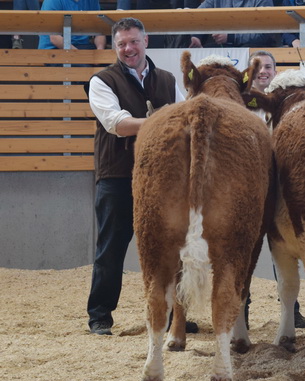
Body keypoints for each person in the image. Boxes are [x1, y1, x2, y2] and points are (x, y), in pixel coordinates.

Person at [85, 17, 188, 336]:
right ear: (115, 47)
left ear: (146, 42)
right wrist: (161, 121)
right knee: (111, 248)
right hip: (117, 175)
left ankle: (175, 315)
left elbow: (186, 118)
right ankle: (100, 314)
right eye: (121, 44)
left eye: (133, 41)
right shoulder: (101, 80)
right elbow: (116, 123)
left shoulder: (169, 80)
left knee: (170, 247)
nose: (128, 48)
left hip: (163, 178)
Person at [245, 50, 305, 329]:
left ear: (276, 71)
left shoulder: (290, 100)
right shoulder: (245, 103)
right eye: (258, 67)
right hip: (253, 189)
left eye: (269, 67)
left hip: (283, 187)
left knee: (284, 252)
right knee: (247, 252)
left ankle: (292, 312)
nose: (264, 71)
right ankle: (242, 312)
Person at [190, 0, 277, 48]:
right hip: (223, 47)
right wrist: (196, 36)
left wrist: (231, 37)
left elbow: (264, 34)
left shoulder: (263, 1)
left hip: (254, 48)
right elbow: (197, 15)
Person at [38, 0, 106, 50]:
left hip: (83, 47)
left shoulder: (92, 1)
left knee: (110, 65)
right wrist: (80, 56)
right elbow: (54, 39)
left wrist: (99, 50)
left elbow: (99, 31)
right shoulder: (53, 1)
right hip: (54, 50)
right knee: (83, 66)